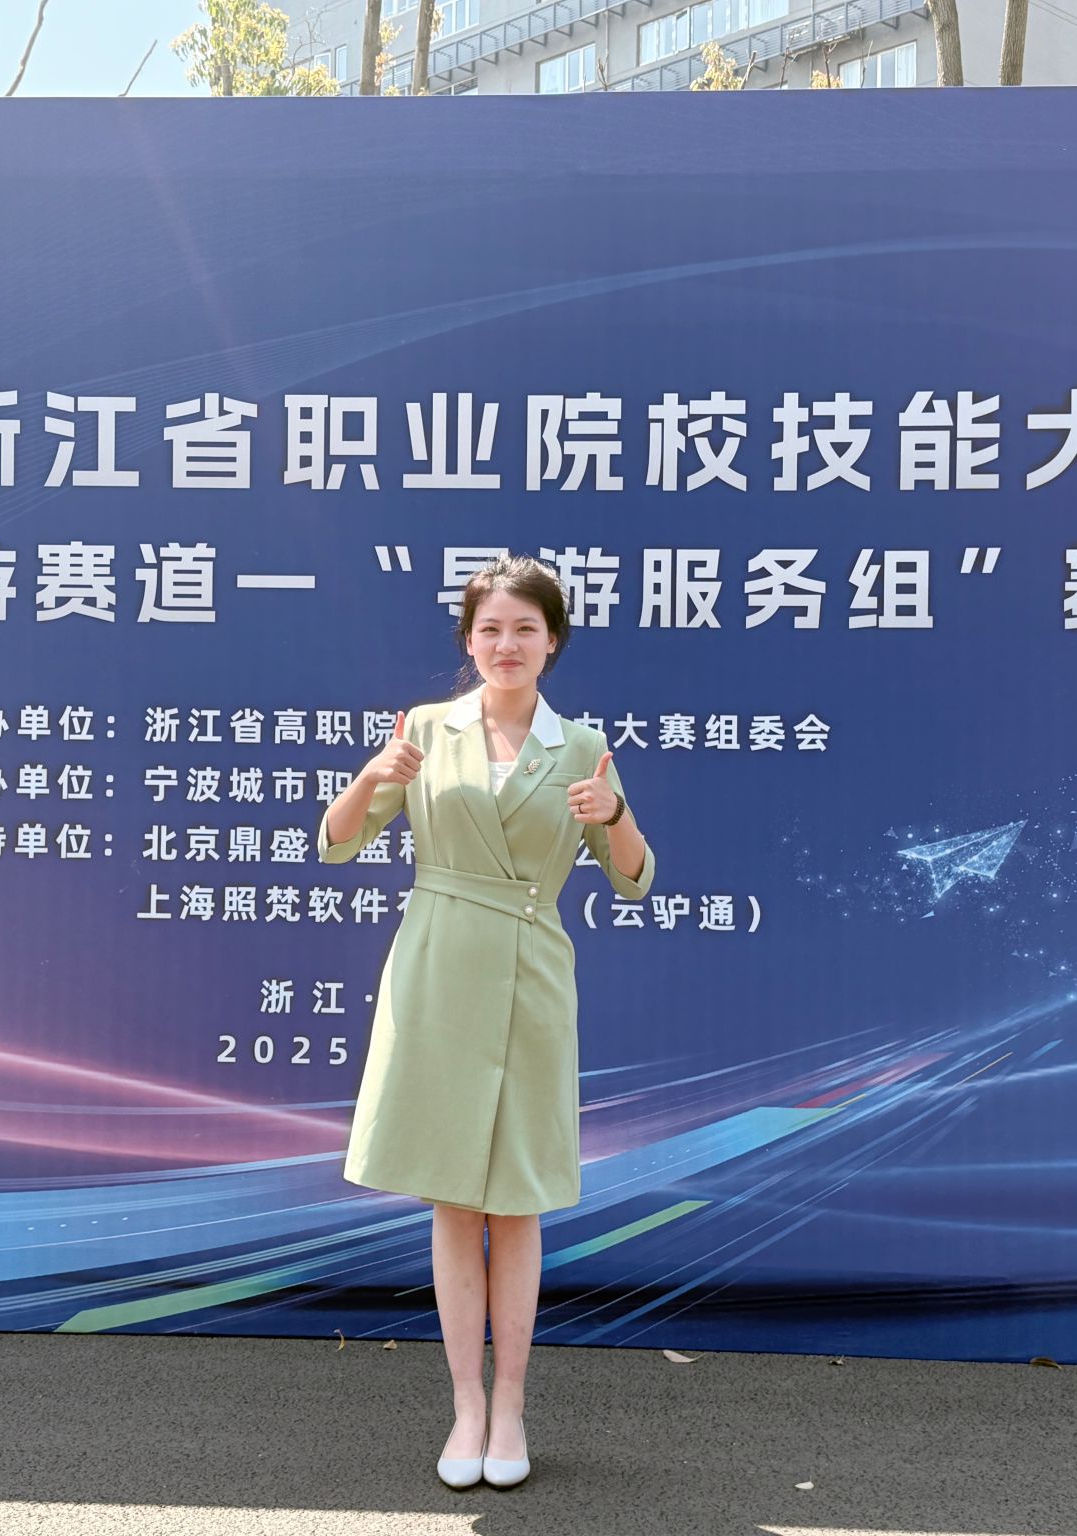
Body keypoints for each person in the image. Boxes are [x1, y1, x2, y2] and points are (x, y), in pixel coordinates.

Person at [316, 554, 655, 1491]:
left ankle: (511, 1405)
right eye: (491, 629)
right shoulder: (427, 728)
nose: (507, 645)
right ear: (468, 640)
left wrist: (614, 810)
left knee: (518, 1202)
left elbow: (634, 877)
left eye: (525, 630)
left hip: (532, 973)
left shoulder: (581, 745)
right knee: (453, 1198)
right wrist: (373, 772)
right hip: (438, 967)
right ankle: (465, 1404)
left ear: (553, 641)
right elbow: (338, 843)